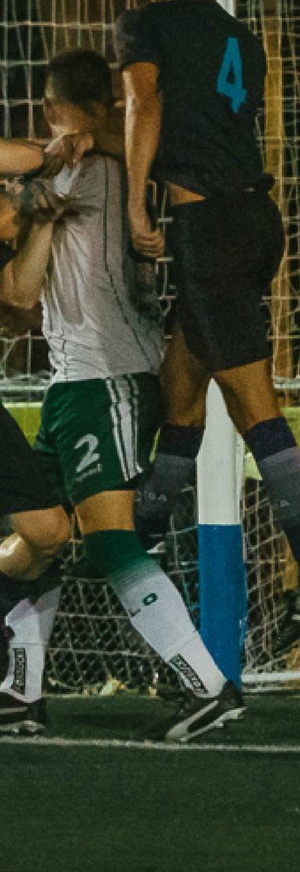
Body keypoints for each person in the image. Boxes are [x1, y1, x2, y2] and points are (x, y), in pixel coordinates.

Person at [116, 0, 300, 653]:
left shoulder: (144, 24)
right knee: (182, 384)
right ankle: (146, 535)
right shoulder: (243, 40)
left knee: (252, 403)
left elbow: (146, 103)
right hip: (255, 221)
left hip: (207, 229)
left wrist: (132, 202)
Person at [0, 49, 241, 741]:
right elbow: (18, 295)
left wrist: (64, 156)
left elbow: (51, 173)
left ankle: (206, 685)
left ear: (51, 111)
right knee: (39, 536)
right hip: (76, 385)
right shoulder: (104, 167)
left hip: (106, 378)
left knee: (110, 544)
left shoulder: (92, 169)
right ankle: (21, 689)